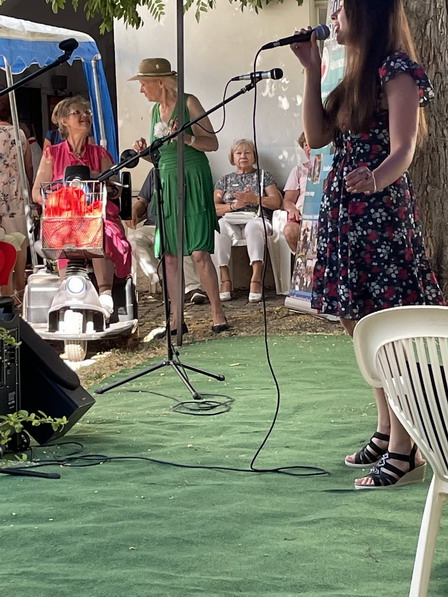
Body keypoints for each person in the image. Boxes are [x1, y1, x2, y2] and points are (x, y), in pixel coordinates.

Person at [291, 0, 445, 489]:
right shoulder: (353, 76)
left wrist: (376, 179)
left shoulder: (397, 69)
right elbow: (317, 136)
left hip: (381, 215)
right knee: (356, 322)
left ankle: (406, 446)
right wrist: (311, 69)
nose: (333, 17)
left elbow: (405, 148)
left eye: (341, 8)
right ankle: (386, 426)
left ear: (367, 13)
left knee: (388, 329)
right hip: (346, 211)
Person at [130, 58, 228, 334]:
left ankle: (217, 313)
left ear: (160, 82)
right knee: (170, 255)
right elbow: (161, 155)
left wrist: (187, 138)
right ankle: (176, 319)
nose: (141, 90)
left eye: (144, 84)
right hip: (167, 181)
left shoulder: (189, 103)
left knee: (198, 252)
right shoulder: (154, 112)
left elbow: (212, 143)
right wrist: (144, 153)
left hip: (193, 178)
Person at [32, 95, 132, 316]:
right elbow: (37, 192)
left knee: (102, 230)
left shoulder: (99, 153)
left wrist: (96, 177)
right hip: (65, 216)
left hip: (97, 215)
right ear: (64, 121)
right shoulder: (52, 153)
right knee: (61, 229)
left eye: (87, 112)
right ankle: (65, 290)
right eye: (77, 112)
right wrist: (56, 197)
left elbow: (115, 189)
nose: (84, 116)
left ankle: (106, 293)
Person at [214, 139, 282, 303]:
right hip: (231, 220)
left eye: (247, 152)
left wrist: (255, 199)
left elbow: (276, 202)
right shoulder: (224, 180)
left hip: (257, 219)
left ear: (254, 156)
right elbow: (213, 208)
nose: (243, 156)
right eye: (238, 153)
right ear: (232, 157)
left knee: (252, 227)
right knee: (219, 226)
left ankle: (256, 279)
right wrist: (233, 206)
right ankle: (225, 279)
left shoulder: (264, 176)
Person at [127, 168, 207, 304]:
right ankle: (162, 280)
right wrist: (134, 210)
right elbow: (143, 201)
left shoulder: (188, 169)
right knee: (133, 239)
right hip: (153, 226)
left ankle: (192, 288)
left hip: (179, 224)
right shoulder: (155, 171)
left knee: (180, 239)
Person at [0, 95, 33, 307]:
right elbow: (28, 166)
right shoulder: (19, 133)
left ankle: (5, 294)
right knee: (19, 244)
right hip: (17, 197)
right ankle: (20, 289)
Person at [282, 132, 312, 253]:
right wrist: (292, 209)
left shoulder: (333, 168)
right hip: (301, 217)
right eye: (306, 145)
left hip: (326, 217)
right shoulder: (299, 170)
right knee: (290, 230)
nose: (309, 148)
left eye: (312, 144)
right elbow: (288, 200)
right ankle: (303, 259)